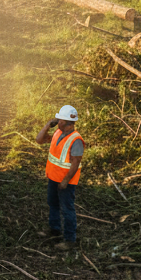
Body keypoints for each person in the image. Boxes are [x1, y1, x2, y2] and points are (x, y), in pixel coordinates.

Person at [36, 104, 84, 248]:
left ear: (66, 122)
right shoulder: (58, 133)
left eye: (59, 119)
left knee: (67, 209)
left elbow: (75, 163)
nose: (57, 121)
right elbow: (39, 140)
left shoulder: (76, 141)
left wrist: (65, 181)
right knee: (53, 204)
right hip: (53, 177)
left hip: (66, 182)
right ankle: (54, 230)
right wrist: (47, 126)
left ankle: (70, 240)